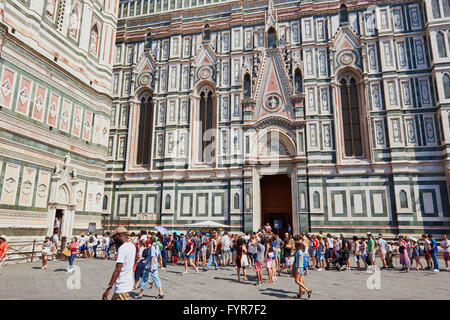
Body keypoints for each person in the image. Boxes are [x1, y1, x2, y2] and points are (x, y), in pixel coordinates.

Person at [102, 227, 136, 300]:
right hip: (128, 284)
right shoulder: (132, 246)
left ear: (119, 235)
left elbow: (118, 269)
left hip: (122, 286)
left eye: (114, 237)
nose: (114, 239)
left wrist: (108, 288)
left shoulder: (122, 248)